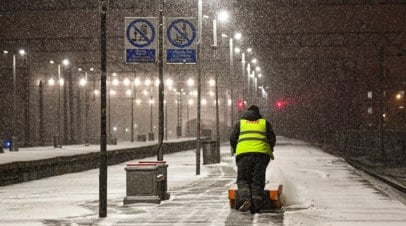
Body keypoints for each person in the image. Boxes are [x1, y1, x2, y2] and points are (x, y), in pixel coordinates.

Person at [230, 105, 276, 214]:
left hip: (244, 155)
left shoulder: (240, 123)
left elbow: (232, 138)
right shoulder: (264, 123)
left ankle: (246, 200)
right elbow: (272, 139)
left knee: (243, 180)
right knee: (258, 181)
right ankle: (255, 206)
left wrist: (236, 148)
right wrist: (269, 149)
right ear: (258, 114)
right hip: (261, 155)